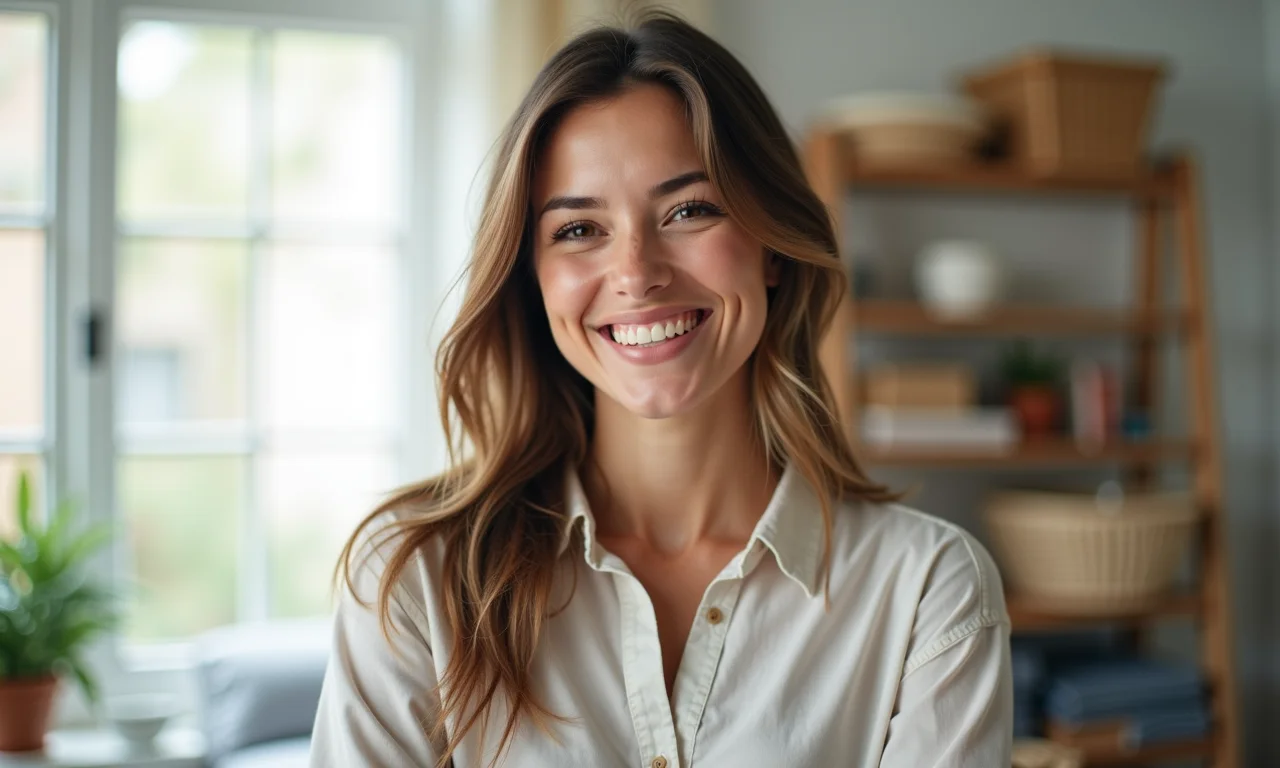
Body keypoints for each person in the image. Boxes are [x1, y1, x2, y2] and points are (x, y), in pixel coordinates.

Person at [310, 10, 1011, 768]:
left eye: (690, 210)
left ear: (771, 246)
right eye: (578, 229)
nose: (638, 273)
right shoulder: (415, 580)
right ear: (532, 278)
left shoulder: (929, 592)